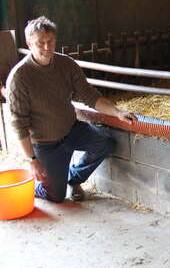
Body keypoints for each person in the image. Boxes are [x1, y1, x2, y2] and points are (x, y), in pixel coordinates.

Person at [6, 16, 137, 203]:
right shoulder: (20, 77)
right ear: (28, 43)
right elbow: (19, 123)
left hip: (71, 130)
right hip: (44, 143)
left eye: (50, 41)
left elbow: (89, 95)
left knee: (105, 143)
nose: (46, 47)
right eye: (40, 43)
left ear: (55, 40)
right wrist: (32, 160)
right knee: (56, 197)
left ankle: (73, 178)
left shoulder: (66, 64)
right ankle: (36, 184)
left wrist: (117, 113)